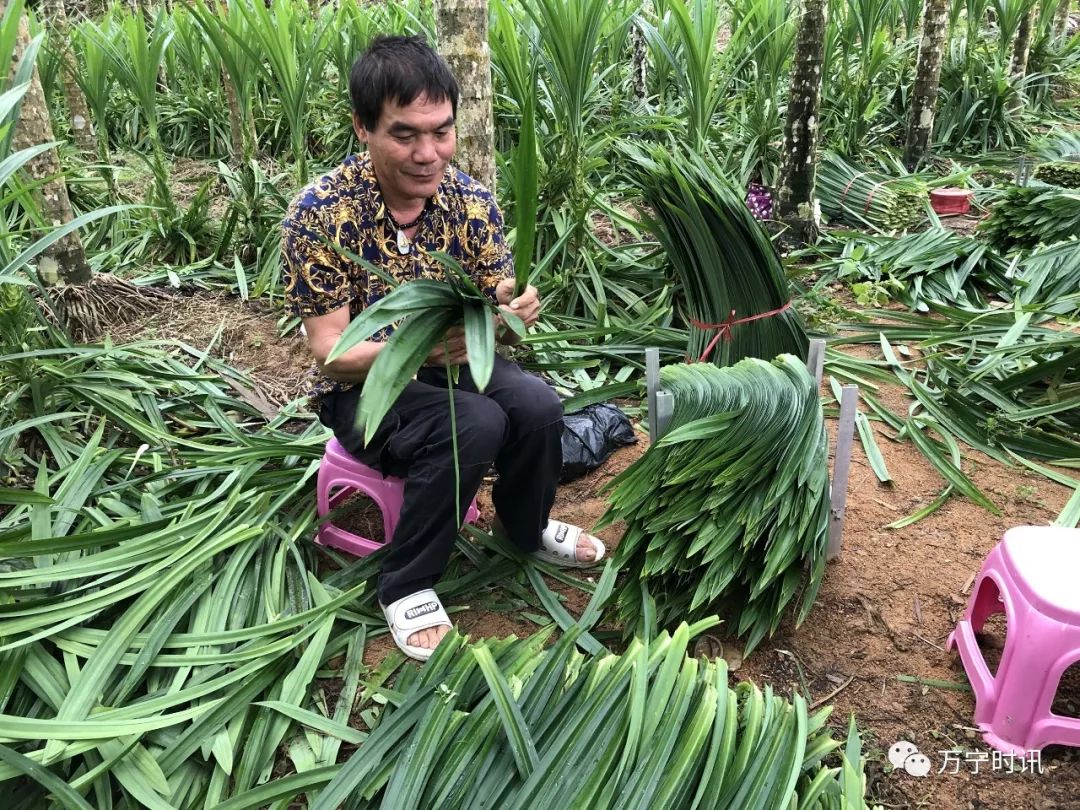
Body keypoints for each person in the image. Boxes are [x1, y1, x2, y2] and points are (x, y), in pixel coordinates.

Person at [281, 35, 605, 661]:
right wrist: (420, 349)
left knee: (537, 404)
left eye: (442, 132)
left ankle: (525, 524)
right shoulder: (321, 214)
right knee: (474, 422)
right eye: (405, 135)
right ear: (363, 127)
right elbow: (330, 356)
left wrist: (512, 314)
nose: (428, 154)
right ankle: (406, 583)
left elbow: (493, 314)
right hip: (363, 389)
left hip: (449, 367)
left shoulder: (470, 204)